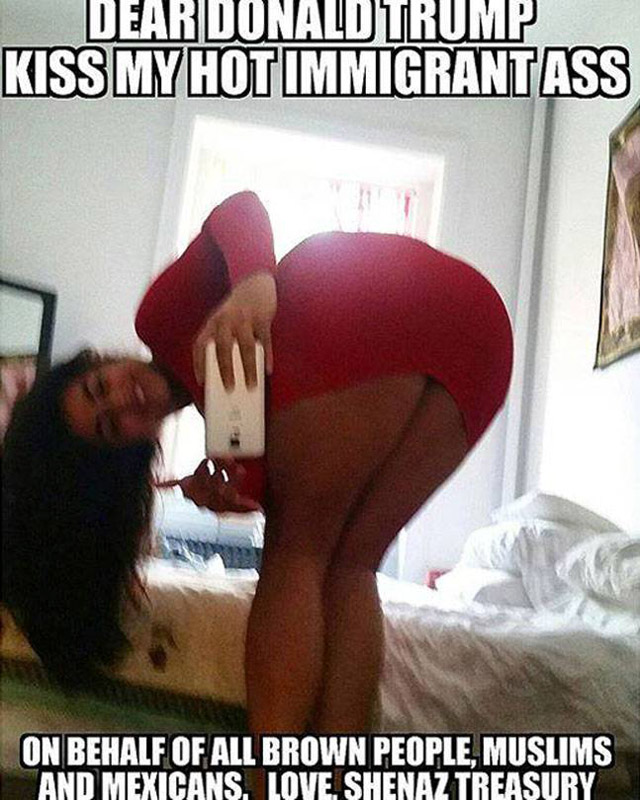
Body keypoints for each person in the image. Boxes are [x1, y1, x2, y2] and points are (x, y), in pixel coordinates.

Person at [3, 191, 512, 743]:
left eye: (99, 386)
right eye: (110, 426)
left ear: (98, 361)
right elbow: (315, 469)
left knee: (296, 553)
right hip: (477, 345)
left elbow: (241, 209)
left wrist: (253, 284)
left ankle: (272, 774)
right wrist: (240, 494)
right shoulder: (230, 435)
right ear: (123, 454)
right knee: (351, 565)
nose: (123, 399)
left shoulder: (161, 317)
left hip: (367, 290)